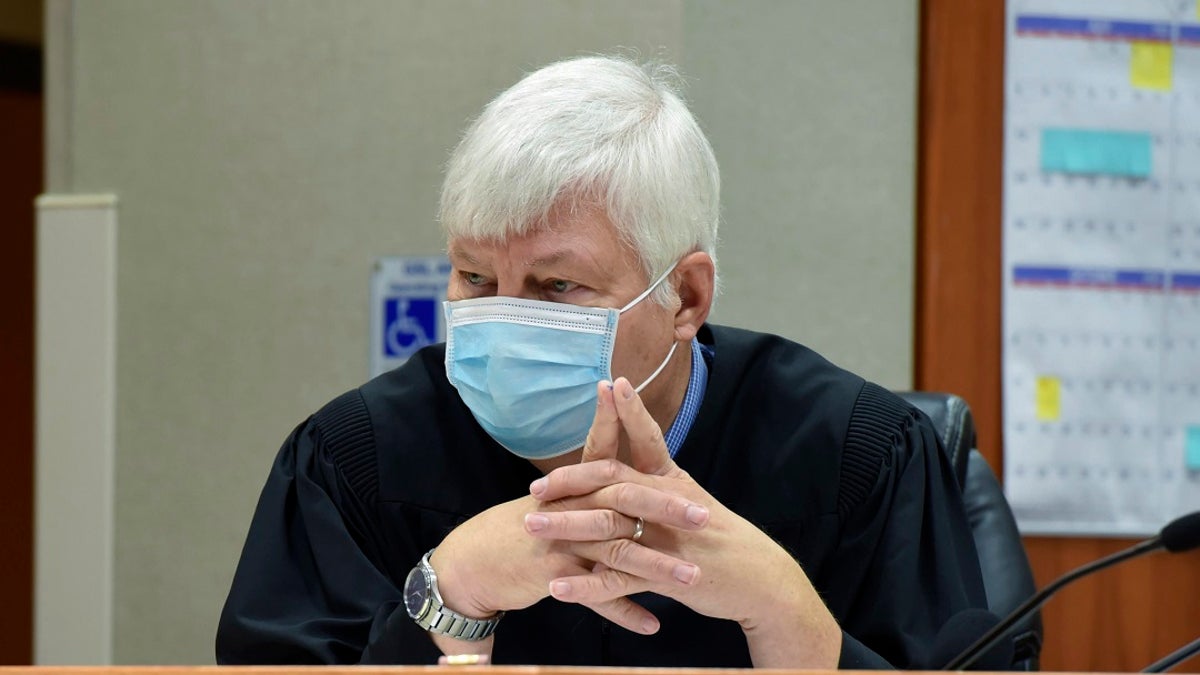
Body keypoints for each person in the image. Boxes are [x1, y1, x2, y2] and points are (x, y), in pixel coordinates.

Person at [216, 55, 987, 669]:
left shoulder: (855, 455)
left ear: (684, 296)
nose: (505, 318)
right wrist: (450, 596)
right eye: (476, 278)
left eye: (557, 286)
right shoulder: (358, 458)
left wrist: (787, 613)